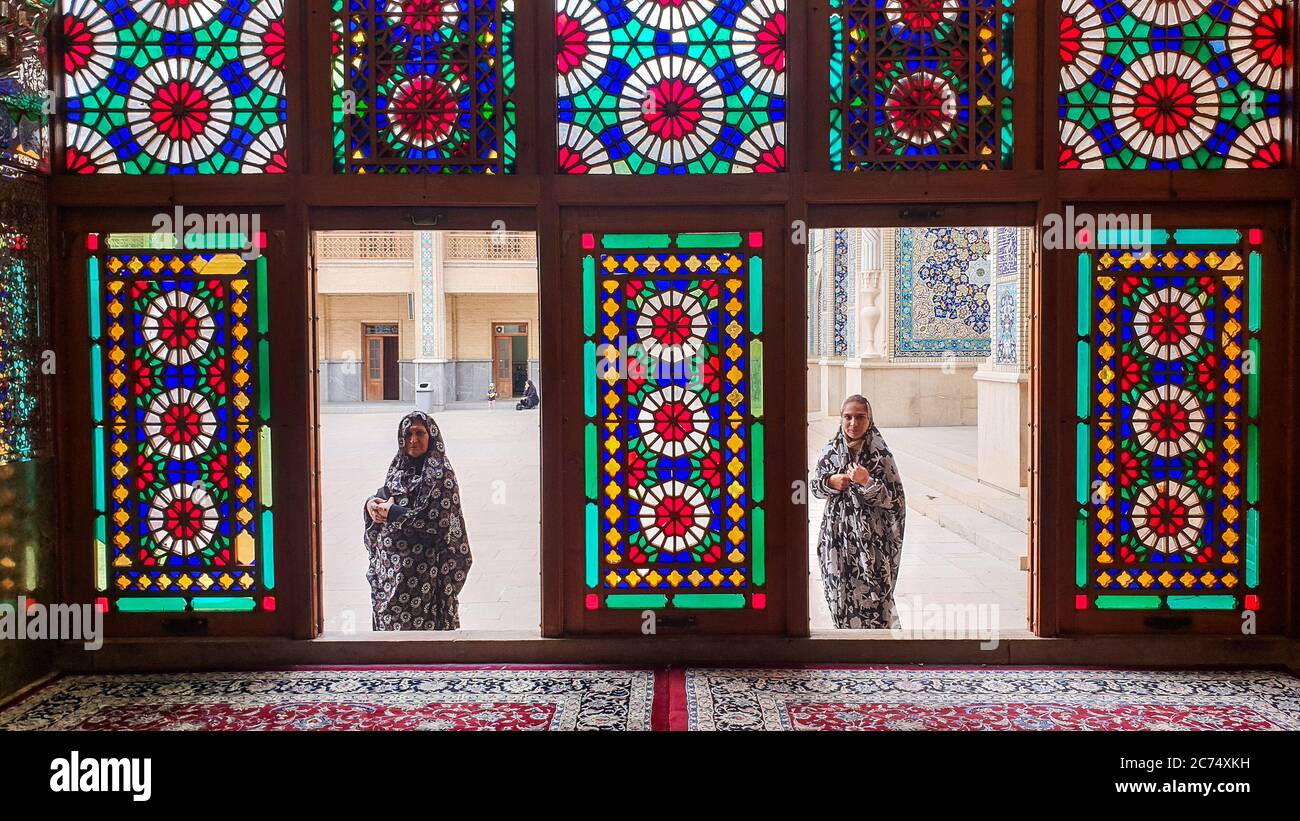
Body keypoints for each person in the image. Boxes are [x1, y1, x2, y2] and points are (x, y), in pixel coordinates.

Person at [363, 410, 472, 630]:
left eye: (420, 433)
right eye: (409, 433)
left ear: (431, 436)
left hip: (423, 577)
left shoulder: (442, 475)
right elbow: (386, 494)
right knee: (390, 640)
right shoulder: (398, 465)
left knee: (421, 640)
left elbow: (436, 522)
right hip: (389, 573)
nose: (413, 440)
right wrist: (371, 505)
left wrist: (393, 513)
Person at [811, 395, 906, 629]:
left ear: (870, 420)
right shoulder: (830, 451)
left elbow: (894, 501)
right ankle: (845, 641)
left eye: (860, 417)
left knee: (874, 594)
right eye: (848, 417)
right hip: (836, 538)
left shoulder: (881, 456)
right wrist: (829, 482)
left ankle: (877, 647)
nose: (853, 423)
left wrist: (867, 482)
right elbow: (814, 486)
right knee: (838, 592)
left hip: (871, 542)